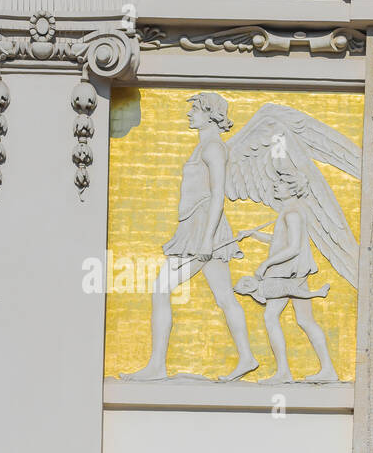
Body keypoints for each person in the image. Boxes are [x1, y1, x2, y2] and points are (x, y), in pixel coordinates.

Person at [124, 92, 258, 382]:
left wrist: (207, 239)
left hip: (201, 227)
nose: (189, 114)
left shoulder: (212, 148)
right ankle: (247, 357)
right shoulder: (205, 147)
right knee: (225, 297)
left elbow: (218, 195)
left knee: (161, 289)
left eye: (195, 110)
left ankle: (157, 366)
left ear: (210, 114)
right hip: (199, 225)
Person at [234, 169, 338, 384]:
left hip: (283, 273)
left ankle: (283, 372)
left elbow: (293, 248)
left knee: (271, 317)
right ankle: (327, 369)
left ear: (292, 189)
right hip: (293, 272)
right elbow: (280, 241)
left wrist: (266, 263)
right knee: (305, 320)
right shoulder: (292, 210)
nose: (275, 186)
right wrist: (254, 235)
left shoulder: (292, 213)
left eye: (280, 184)